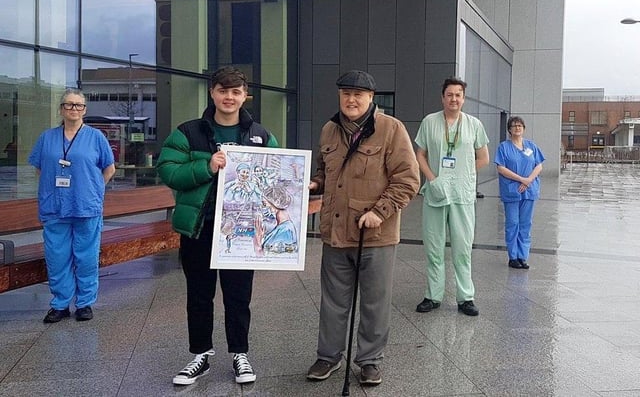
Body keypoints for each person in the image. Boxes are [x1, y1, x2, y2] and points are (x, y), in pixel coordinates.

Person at [156, 66, 278, 387]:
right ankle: (201, 354)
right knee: (199, 295)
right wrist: (206, 166)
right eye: (223, 90)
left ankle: (240, 353)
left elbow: (278, 175)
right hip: (200, 228)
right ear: (212, 93)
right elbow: (168, 170)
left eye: (235, 91)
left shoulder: (260, 135)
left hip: (241, 232)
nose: (229, 97)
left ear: (244, 95)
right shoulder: (188, 131)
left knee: (239, 296)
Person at [306, 70, 420, 385]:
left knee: (374, 302)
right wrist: (314, 183)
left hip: (375, 235)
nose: (351, 100)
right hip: (336, 232)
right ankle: (327, 356)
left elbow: (408, 179)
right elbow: (325, 172)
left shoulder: (390, 129)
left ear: (371, 98)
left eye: (358, 94)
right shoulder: (329, 130)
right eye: (346, 94)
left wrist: (379, 212)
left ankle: (369, 361)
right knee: (333, 301)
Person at [28, 88, 116, 323]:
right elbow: (40, 168)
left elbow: (109, 168)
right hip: (54, 207)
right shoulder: (47, 137)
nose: (73, 109)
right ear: (61, 109)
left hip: (85, 205)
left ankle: (85, 303)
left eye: (78, 105)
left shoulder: (96, 137)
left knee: (86, 258)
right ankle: (60, 304)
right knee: (57, 258)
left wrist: (94, 188)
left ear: (84, 110)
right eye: (69, 105)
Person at [414, 77, 489, 317]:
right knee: (434, 247)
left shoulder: (474, 124)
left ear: (463, 98)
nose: (454, 99)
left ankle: (465, 297)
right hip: (435, 192)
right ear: (442, 97)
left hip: (462, 195)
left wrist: (464, 176)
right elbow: (420, 154)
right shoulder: (429, 122)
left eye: (458, 95)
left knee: (462, 248)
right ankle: (433, 295)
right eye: (449, 94)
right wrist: (432, 179)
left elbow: (484, 158)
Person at [494, 116, 544, 269]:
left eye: (520, 125)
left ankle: (523, 256)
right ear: (509, 129)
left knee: (525, 224)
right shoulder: (504, 147)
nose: (517, 128)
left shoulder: (531, 146)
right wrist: (521, 179)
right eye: (514, 126)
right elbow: (501, 168)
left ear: (524, 128)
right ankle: (513, 256)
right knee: (512, 223)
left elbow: (539, 165)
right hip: (512, 190)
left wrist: (528, 180)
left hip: (529, 190)